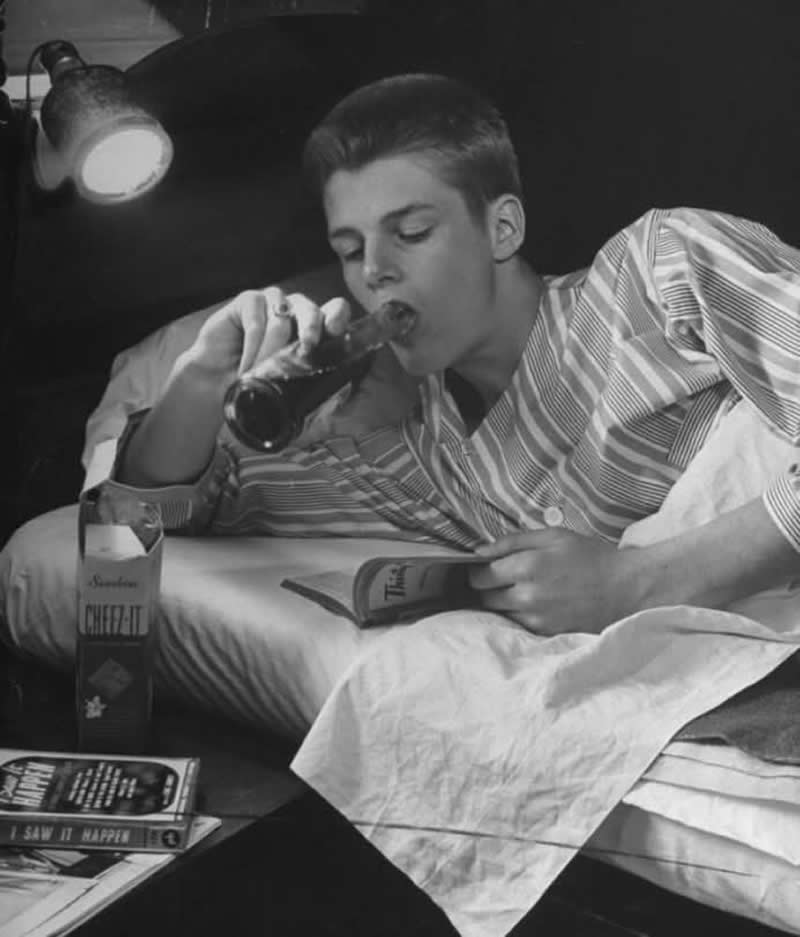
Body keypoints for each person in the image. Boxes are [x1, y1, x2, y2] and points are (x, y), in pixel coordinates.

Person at [112, 72, 800, 637]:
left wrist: (634, 583)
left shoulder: (660, 271)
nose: (374, 270)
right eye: (350, 251)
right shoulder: (430, 463)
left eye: (409, 232)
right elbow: (150, 521)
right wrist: (200, 378)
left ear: (501, 227)